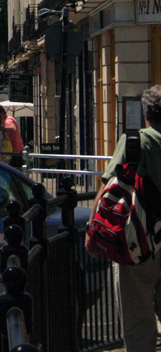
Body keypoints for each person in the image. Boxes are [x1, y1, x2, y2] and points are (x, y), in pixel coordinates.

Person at [87, 86, 161, 352]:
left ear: (146, 115)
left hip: (139, 241)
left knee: (138, 323)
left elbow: (108, 187)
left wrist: (91, 232)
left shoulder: (135, 142)